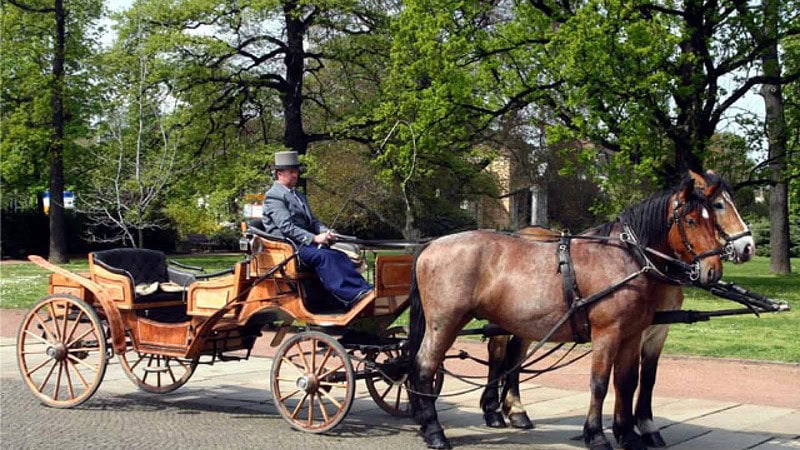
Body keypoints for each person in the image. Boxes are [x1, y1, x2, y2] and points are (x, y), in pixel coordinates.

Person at [261, 150, 373, 307]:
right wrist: (314, 238)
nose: (295, 175)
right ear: (279, 174)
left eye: (296, 171)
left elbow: (313, 222)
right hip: (289, 246)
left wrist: (325, 232)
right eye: (291, 172)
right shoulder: (274, 196)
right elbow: (286, 227)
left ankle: (362, 290)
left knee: (340, 255)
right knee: (325, 257)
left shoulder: (299, 195)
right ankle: (351, 295)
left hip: (305, 244)